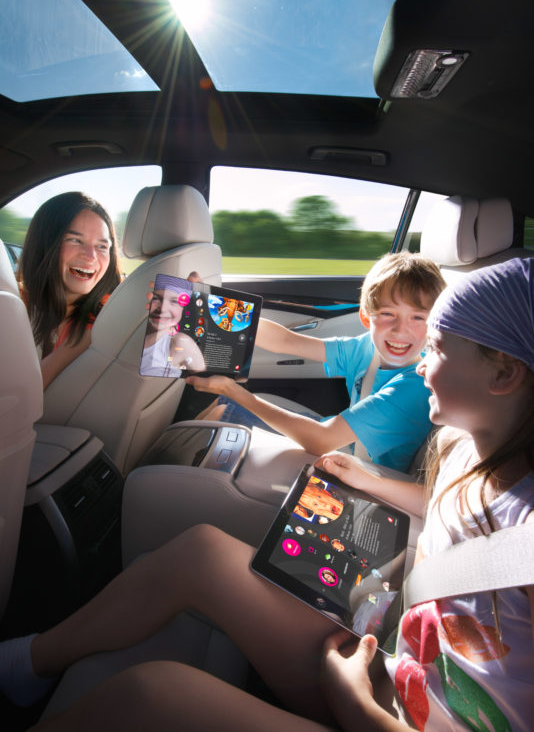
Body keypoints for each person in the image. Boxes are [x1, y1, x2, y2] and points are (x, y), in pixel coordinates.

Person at [3, 256, 533, 731]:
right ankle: (28, 662)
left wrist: (360, 708)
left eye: (436, 344)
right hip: (389, 646)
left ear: (505, 373)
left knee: (147, 695)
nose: (420, 361)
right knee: (201, 552)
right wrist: (206, 311)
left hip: (384, 709)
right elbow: (435, 501)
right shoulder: (466, 449)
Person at [188, 252, 446, 471]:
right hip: (345, 440)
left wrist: (233, 390)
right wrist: (213, 307)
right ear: (366, 318)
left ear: (435, 324)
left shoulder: (414, 386)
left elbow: (322, 440)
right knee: (221, 408)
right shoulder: (366, 348)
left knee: (226, 407)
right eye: (388, 314)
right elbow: (288, 342)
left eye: (418, 318)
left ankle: (171, 478)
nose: (400, 330)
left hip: (362, 470)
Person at [17, 192, 122, 390]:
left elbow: (22, 395)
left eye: (101, 246)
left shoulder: (109, 316)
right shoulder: (15, 305)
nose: (90, 256)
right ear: (44, 245)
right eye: (75, 240)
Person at [140, 274, 206, 377]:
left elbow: (205, 382)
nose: (162, 308)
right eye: (156, 298)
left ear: (183, 309)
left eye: (174, 301)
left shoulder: (180, 342)